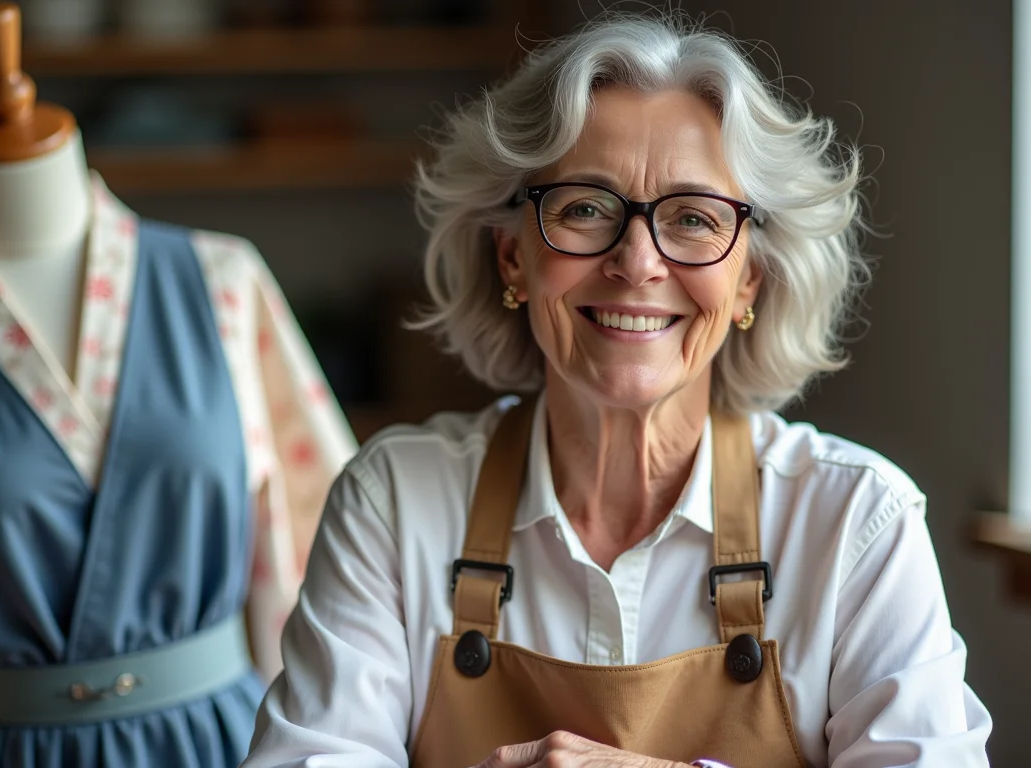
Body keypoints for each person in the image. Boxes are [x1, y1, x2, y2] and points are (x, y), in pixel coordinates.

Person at [243, 12, 991, 768]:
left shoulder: (856, 520)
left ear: (749, 280)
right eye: (585, 208)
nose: (637, 262)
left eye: (693, 218)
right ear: (511, 258)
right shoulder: (396, 501)